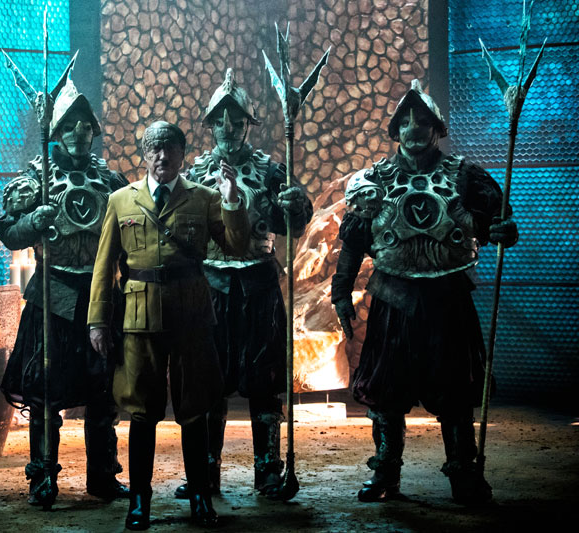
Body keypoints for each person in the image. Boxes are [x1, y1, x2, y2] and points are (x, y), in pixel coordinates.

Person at [331, 80, 519, 505]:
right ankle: (385, 471)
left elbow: (499, 223)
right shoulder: (373, 180)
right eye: (406, 122)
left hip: (448, 300)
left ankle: (463, 473)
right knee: (386, 392)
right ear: (396, 130)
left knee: (454, 392)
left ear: (437, 129)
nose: (413, 128)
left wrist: (504, 231)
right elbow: (354, 243)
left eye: (422, 122)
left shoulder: (466, 177)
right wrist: (341, 292)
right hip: (393, 300)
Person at [87, 121, 250, 530]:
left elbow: (237, 246)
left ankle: (200, 497)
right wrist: (97, 321)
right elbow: (104, 266)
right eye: (154, 149)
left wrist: (232, 200)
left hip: (191, 314)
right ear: (144, 155)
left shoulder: (204, 198)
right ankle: (139, 501)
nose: (162, 156)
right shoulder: (121, 200)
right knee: (142, 411)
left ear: (182, 153)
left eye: (170, 148)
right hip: (139, 317)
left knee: (194, 408)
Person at [178, 69, 312, 499]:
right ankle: (205, 472)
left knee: (266, 379)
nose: (228, 128)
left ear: (247, 124)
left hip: (258, 284)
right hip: (210, 285)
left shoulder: (271, 171)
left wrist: (295, 204)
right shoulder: (194, 174)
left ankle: (268, 470)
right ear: (210, 124)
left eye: (236, 121)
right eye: (221, 121)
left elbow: (292, 224)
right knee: (207, 381)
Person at [0, 79, 129, 508]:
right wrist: (33, 221)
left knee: (102, 391)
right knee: (45, 392)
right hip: (51, 297)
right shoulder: (36, 177)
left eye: (84, 125)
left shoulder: (110, 181)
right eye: (69, 125)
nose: (77, 132)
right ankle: (42, 477)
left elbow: (129, 240)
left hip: (100, 297)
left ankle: (102, 476)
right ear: (56, 131)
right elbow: (8, 231)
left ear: (93, 130)